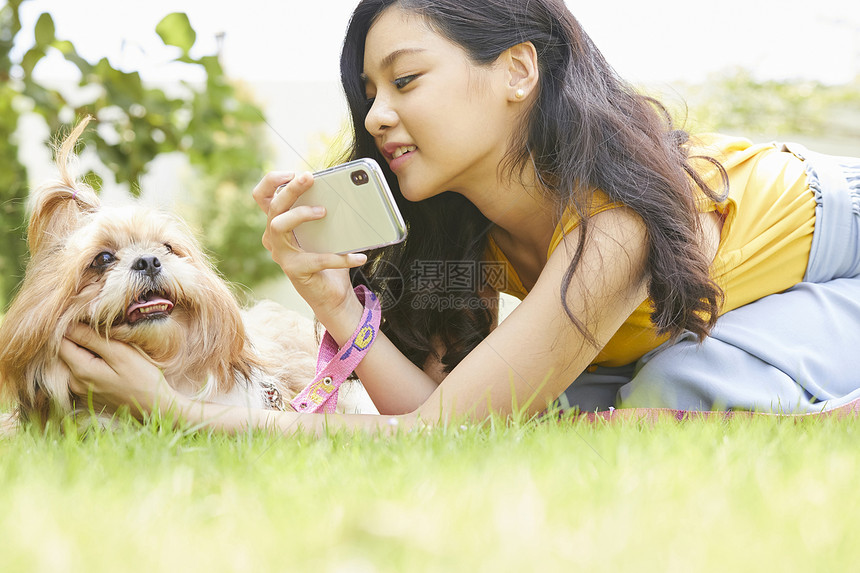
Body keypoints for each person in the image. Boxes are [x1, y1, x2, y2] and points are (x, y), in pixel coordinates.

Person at [60, 0, 860, 435]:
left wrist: (177, 411)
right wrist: (336, 304)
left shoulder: (617, 224)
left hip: (842, 242)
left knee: (669, 391)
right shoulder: (462, 224)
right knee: (556, 415)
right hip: (722, 308)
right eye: (370, 93)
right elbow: (445, 420)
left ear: (517, 70)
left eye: (406, 80)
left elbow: (422, 433)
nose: (376, 116)